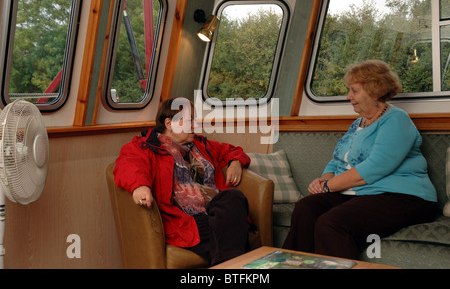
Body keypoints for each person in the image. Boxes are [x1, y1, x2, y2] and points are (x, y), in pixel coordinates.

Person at [283, 60, 438, 260]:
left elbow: (375, 167)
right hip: (362, 194)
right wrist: (324, 179)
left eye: (354, 91)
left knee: (331, 223)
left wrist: (328, 186)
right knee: (306, 207)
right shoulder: (358, 123)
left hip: (404, 197)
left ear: (374, 92)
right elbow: (336, 160)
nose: (349, 97)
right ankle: (291, 264)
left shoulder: (396, 119)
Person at [114, 97, 251, 266]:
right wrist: (140, 186)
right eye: (190, 121)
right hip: (185, 219)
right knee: (234, 225)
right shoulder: (146, 146)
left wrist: (236, 163)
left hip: (217, 211)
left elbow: (232, 150)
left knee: (233, 198)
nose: (195, 126)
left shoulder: (201, 145)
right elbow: (128, 164)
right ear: (169, 123)